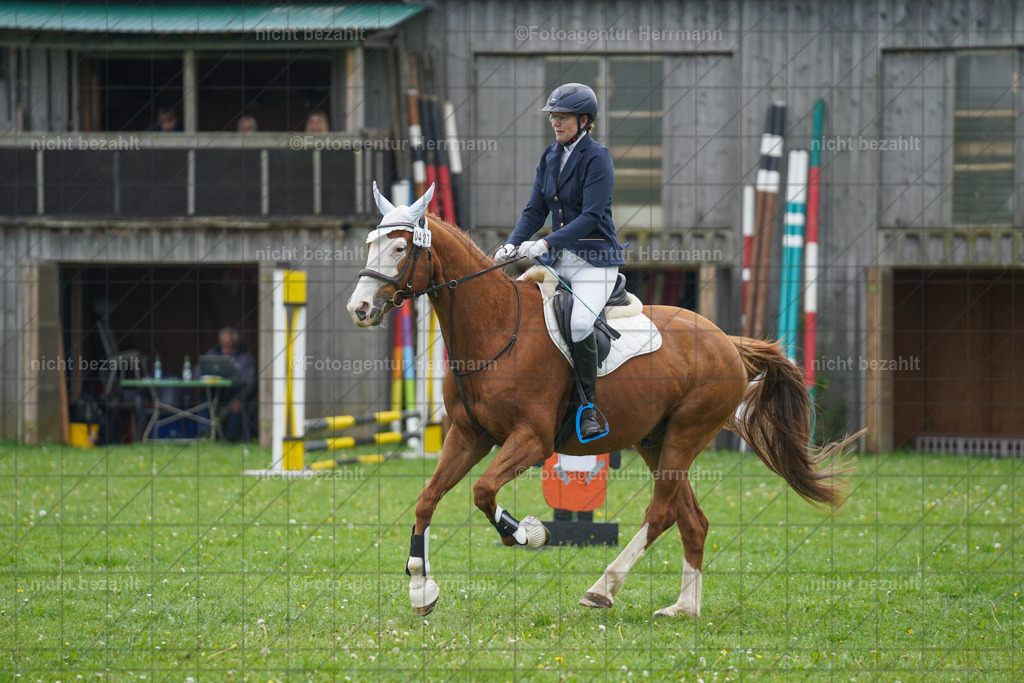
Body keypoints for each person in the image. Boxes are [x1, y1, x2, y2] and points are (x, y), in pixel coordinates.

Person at [493, 83, 625, 441]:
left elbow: (591, 215)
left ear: (584, 121)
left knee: (580, 324)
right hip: (559, 261)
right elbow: (535, 209)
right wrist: (513, 243)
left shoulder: (598, 157)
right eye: (553, 117)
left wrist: (546, 241)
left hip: (596, 262)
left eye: (563, 117)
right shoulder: (550, 156)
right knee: (524, 318)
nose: (556, 123)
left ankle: (587, 409)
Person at [204, 326, 257, 442]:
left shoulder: (245, 357)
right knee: (203, 401)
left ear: (236, 343)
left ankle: (229, 439)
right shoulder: (213, 354)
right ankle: (205, 433)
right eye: (224, 342)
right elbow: (197, 372)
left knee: (236, 406)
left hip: (237, 395)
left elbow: (251, 383)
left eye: (230, 343)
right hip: (216, 395)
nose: (227, 345)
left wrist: (239, 398)